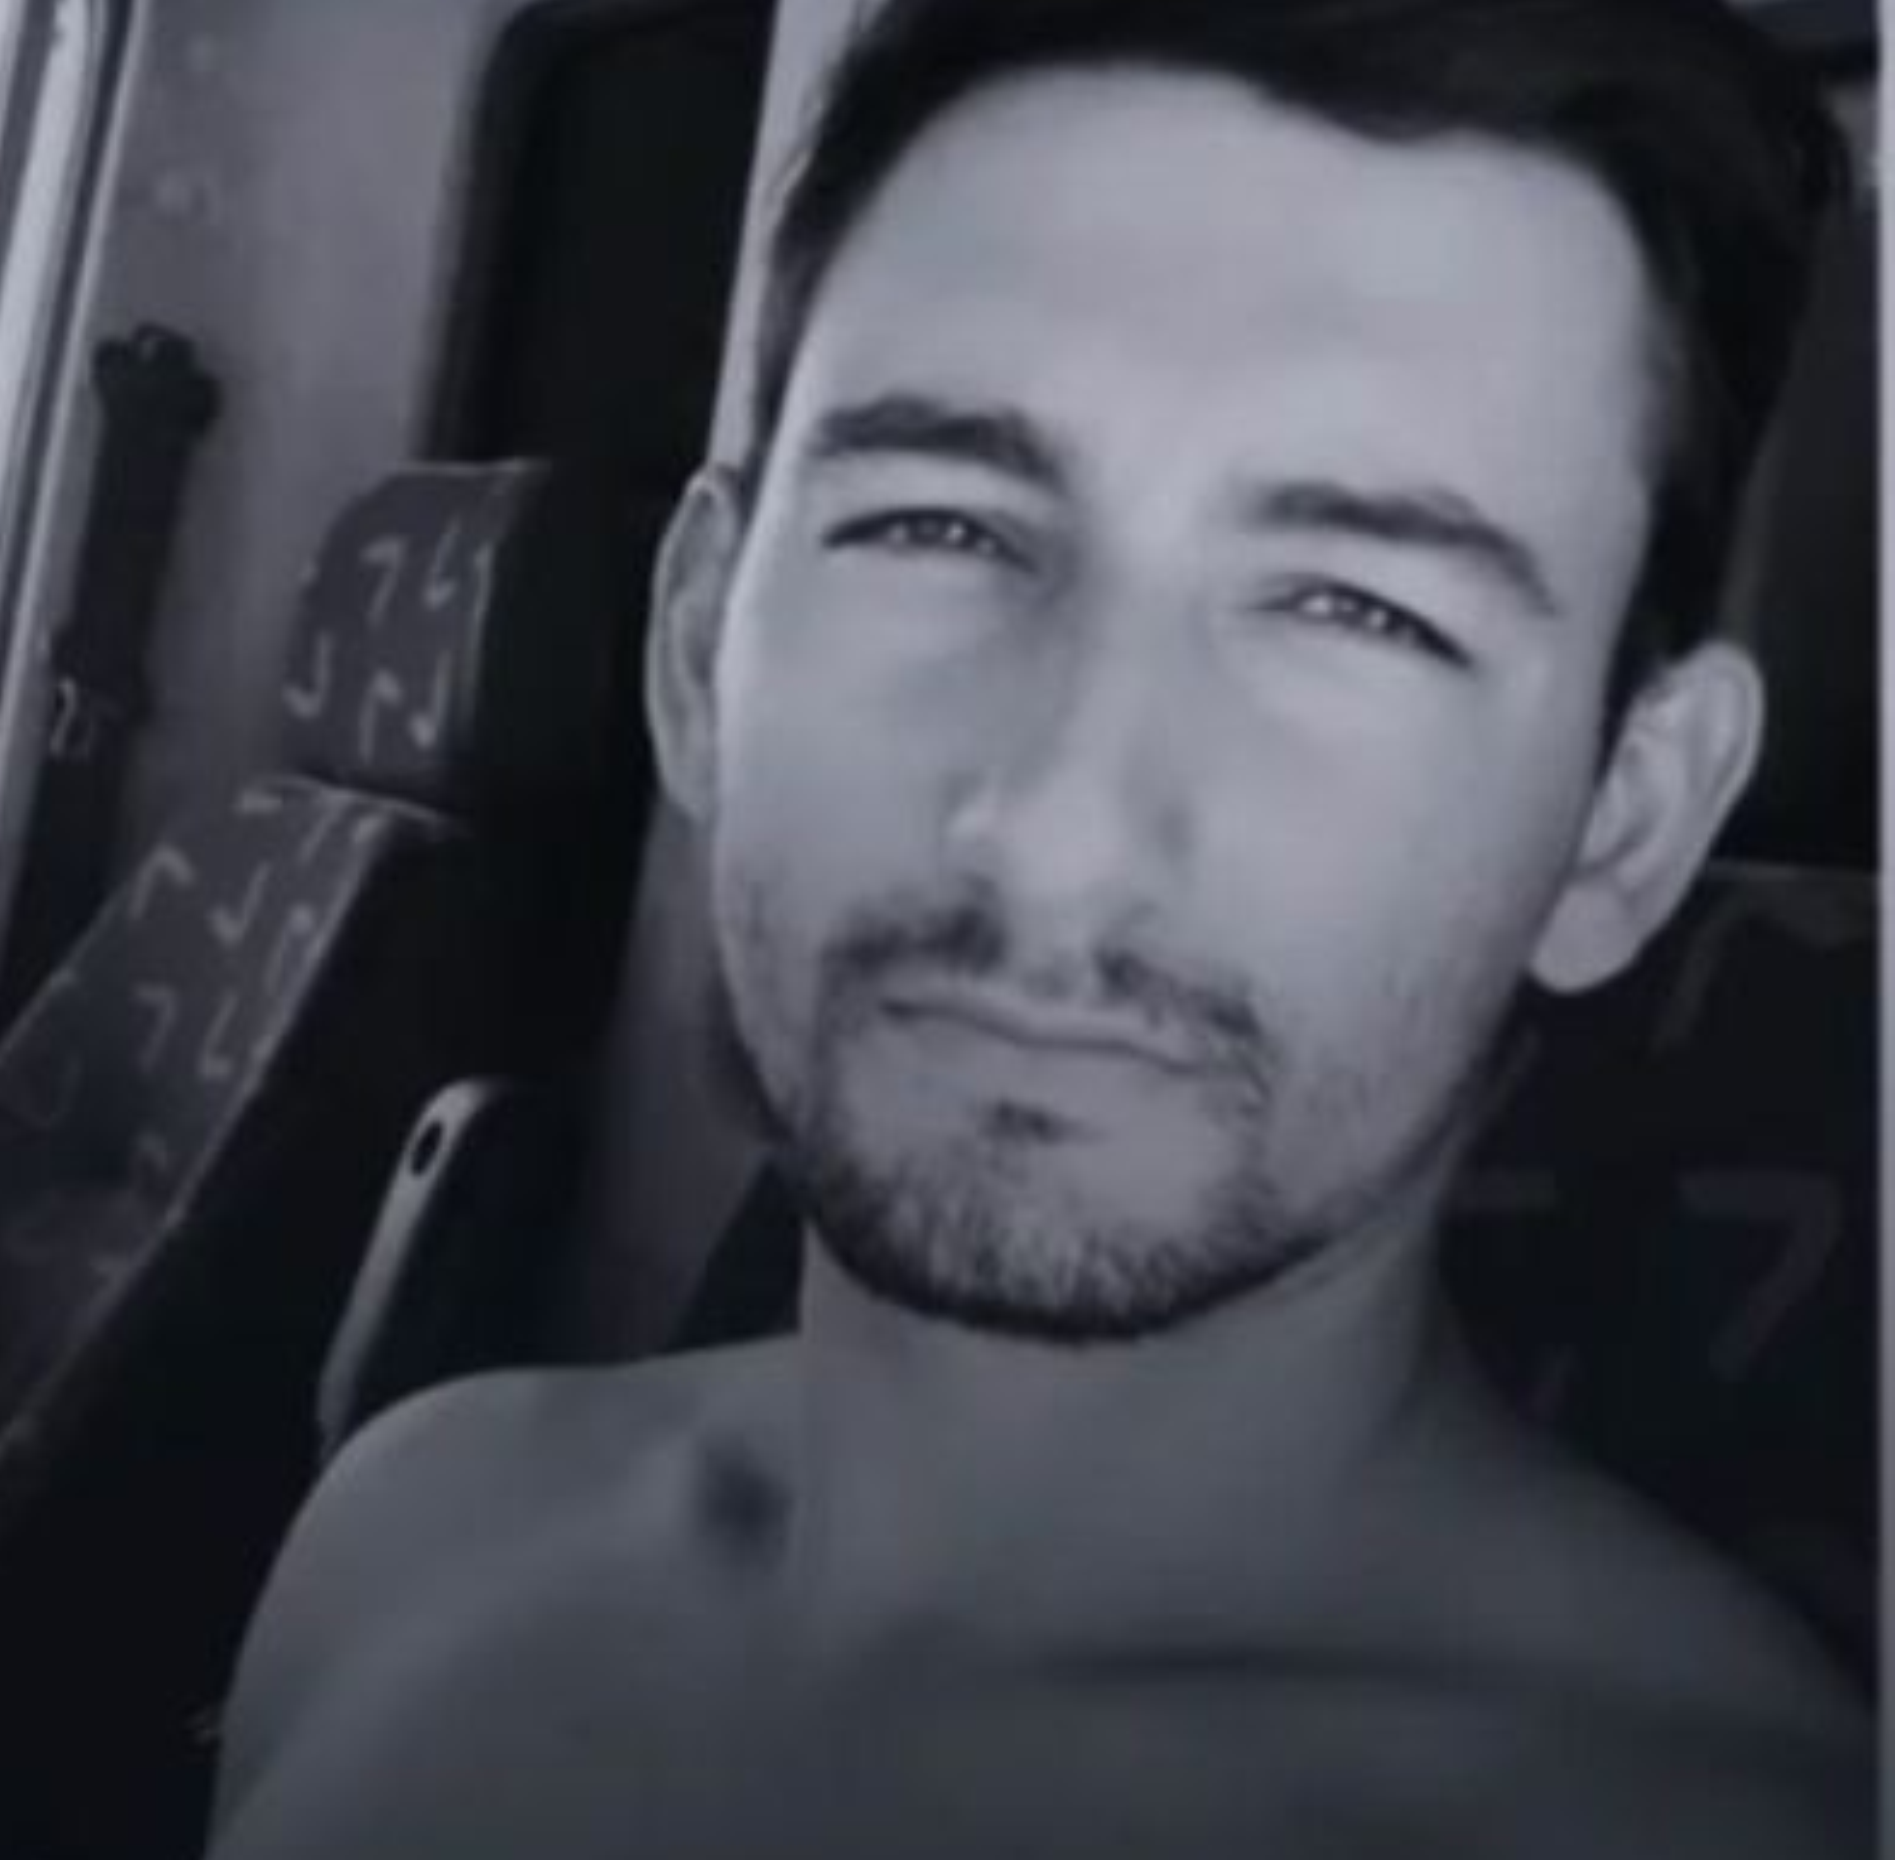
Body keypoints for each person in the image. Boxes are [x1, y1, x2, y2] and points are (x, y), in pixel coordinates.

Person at [205, 1, 1868, 1853]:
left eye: (1358, 611)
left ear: (1623, 823)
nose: (1060, 832)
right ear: (699, 651)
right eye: (940, 530)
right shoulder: (402, 1534)